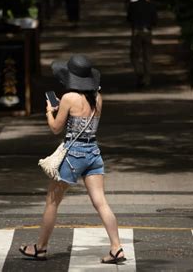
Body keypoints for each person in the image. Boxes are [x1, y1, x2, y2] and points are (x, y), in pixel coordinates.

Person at [19, 55, 126, 264]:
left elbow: (55, 128)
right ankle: (116, 247)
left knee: (52, 202)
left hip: (73, 155)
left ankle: (40, 248)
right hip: (93, 152)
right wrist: (64, 111)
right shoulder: (98, 97)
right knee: (101, 202)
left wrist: (51, 112)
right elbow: (83, 118)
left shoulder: (68, 98)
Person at [127, 0, 157, 87]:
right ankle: (147, 79)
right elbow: (155, 20)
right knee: (147, 55)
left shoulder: (133, 5)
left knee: (135, 55)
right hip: (147, 31)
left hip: (136, 32)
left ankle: (139, 72)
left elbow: (129, 18)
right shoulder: (151, 6)